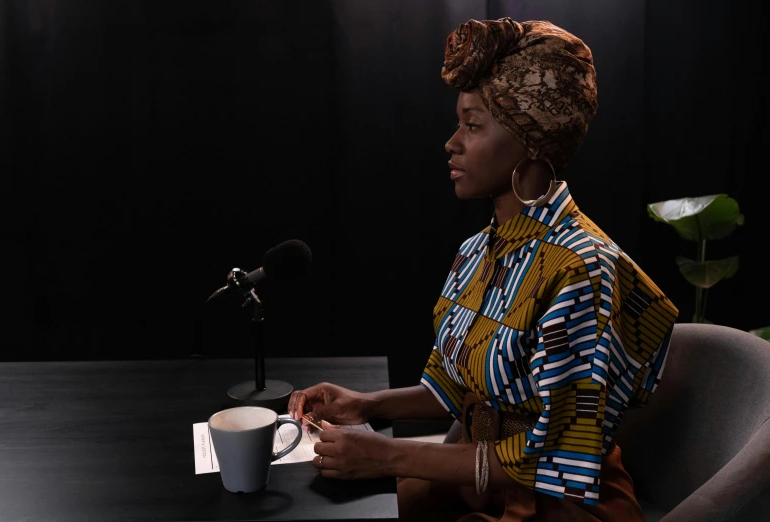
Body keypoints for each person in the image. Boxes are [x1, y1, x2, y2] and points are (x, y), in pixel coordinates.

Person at [288, 17, 678, 522]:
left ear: (532, 140)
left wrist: (386, 455)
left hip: (557, 506)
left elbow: (553, 459)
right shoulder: (478, 251)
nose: (452, 143)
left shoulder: (582, 270)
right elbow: (458, 388)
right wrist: (366, 405)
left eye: (472, 126)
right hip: (472, 484)